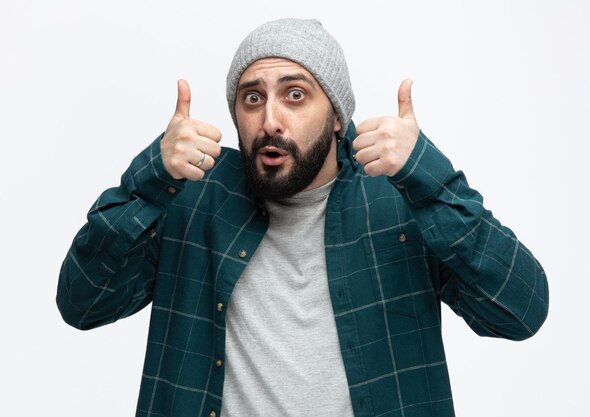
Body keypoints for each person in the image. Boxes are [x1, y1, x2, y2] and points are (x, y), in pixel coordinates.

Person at [57, 18, 549, 417]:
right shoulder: (191, 199)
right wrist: (151, 176)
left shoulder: (399, 202)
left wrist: (430, 178)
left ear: (336, 115)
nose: (270, 119)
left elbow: (520, 311)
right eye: (253, 98)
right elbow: (82, 304)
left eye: (295, 94)